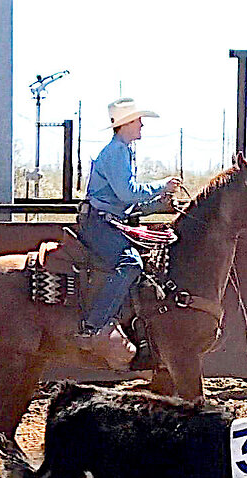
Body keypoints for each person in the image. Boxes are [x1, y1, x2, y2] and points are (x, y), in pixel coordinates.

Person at [76, 98, 181, 352]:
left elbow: (125, 201)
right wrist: (162, 186)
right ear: (125, 125)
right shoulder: (116, 152)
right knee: (131, 263)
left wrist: (157, 204)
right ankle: (93, 326)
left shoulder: (123, 151)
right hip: (99, 223)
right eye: (137, 120)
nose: (142, 124)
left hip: (107, 220)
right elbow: (127, 192)